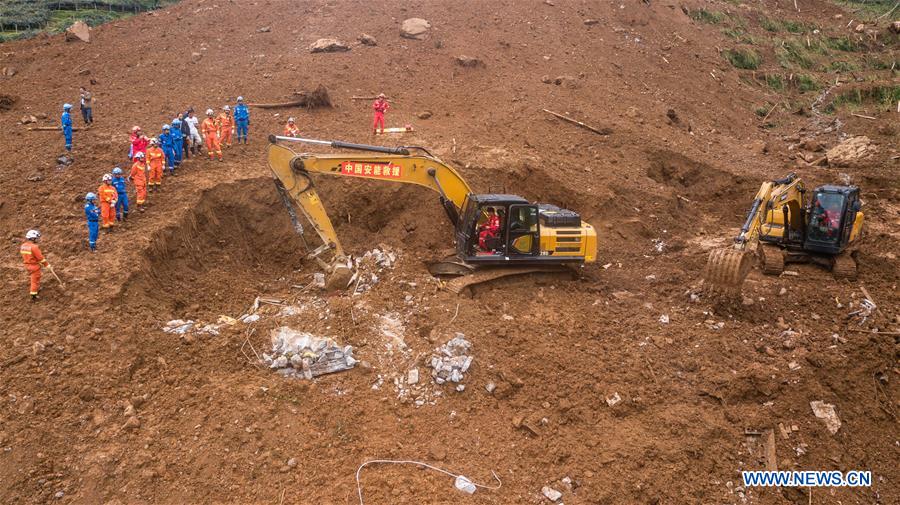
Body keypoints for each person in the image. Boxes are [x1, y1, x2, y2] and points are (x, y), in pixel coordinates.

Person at [20, 229, 52, 301]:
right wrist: (47, 265)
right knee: (35, 280)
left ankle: (35, 289)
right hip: (34, 267)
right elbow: (41, 258)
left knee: (33, 279)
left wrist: (35, 261)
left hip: (27, 265)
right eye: (36, 238)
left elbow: (30, 256)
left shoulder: (23, 246)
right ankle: (33, 295)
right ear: (33, 238)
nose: (37, 239)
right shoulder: (34, 247)